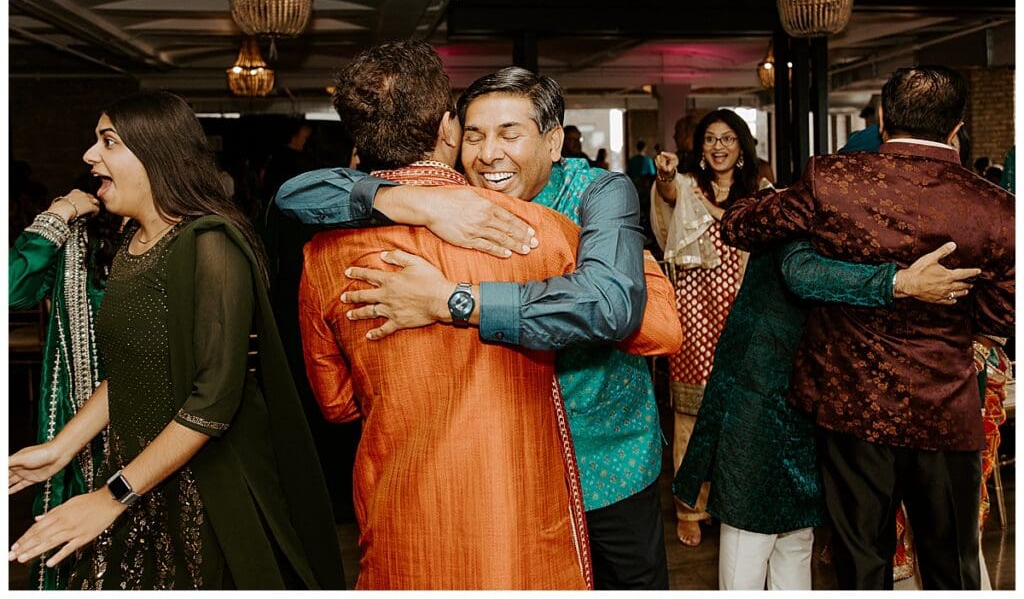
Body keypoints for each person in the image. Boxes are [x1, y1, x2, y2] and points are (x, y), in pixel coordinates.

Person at [277, 66, 682, 590]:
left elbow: (629, 313)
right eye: (474, 134)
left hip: (604, 452)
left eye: (510, 133)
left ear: (554, 140)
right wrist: (412, 200)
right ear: (451, 135)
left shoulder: (593, 198)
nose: (489, 153)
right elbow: (296, 194)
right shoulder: (451, 202)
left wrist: (455, 301)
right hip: (505, 466)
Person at [8, 91, 344, 590]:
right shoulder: (131, 242)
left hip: (206, 493)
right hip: (137, 482)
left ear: (155, 154)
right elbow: (130, 374)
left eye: (108, 142)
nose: (89, 156)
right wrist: (60, 449)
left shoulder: (210, 244)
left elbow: (213, 400)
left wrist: (111, 496)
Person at [719, 66, 1014, 590]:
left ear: (882, 118)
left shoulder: (833, 180)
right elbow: (1002, 313)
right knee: (953, 567)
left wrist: (757, 198)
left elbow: (741, 226)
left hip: (852, 406)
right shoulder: (996, 207)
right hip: (946, 410)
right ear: (956, 128)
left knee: (861, 565)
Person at [674, 238, 980, 590]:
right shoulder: (792, 213)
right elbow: (802, 273)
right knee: (749, 545)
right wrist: (901, 283)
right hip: (759, 407)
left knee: (797, 542)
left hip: (811, 409)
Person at [650, 108, 768, 547]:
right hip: (695, 312)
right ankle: (690, 506)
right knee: (691, 413)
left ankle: (732, 500)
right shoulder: (686, 187)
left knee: (741, 413)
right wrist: (664, 176)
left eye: (728, 139)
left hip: (743, 314)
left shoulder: (757, 194)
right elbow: (665, 204)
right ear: (699, 148)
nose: (718, 147)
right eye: (710, 139)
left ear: (741, 147)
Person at [8, 182, 120, 589]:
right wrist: (59, 213)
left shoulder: (178, 238)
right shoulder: (79, 236)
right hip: (75, 417)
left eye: (108, 144)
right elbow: (10, 288)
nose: (92, 157)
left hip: (153, 421)